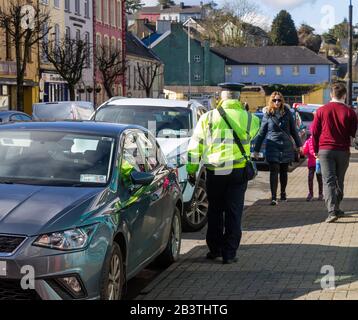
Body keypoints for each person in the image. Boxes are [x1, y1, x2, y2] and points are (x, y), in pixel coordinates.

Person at [186, 82, 260, 264]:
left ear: (221, 97)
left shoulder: (208, 118)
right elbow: (254, 134)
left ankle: (215, 249)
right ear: (239, 97)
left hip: (216, 170)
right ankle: (230, 253)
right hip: (238, 171)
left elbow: (195, 147)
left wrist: (191, 170)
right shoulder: (251, 119)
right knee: (234, 212)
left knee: (215, 211)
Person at [311, 82, 358, 223]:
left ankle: (332, 211)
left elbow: (314, 132)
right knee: (339, 180)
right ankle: (336, 207)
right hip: (343, 150)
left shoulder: (321, 111)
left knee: (329, 180)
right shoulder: (350, 112)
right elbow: (353, 133)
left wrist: (315, 150)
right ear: (344, 95)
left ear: (331, 94)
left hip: (325, 150)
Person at [253, 92, 302, 205]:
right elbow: (261, 133)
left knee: (284, 171)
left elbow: (294, 131)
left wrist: (299, 146)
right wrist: (256, 149)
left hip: (285, 145)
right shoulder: (268, 114)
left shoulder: (287, 113)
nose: (277, 102)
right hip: (272, 145)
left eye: (279, 100)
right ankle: (274, 197)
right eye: (274, 100)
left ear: (282, 101)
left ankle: (283, 194)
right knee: (274, 171)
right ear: (271, 101)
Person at [302, 134, 323, 201]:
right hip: (314, 163)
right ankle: (313, 194)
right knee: (313, 178)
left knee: (316, 178)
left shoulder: (319, 140)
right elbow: (304, 151)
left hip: (317, 163)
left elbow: (304, 151)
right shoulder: (309, 141)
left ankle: (319, 194)